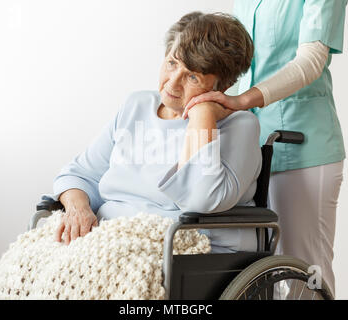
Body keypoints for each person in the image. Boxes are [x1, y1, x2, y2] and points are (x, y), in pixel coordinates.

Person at [48, 12, 262, 254]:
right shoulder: (135, 105)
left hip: (185, 249)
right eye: (172, 63)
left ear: (221, 87)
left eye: (192, 77)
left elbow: (203, 199)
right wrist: (78, 210)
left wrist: (203, 115)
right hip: (110, 239)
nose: (172, 84)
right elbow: (80, 174)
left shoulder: (241, 126)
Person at [182, 0, 348, 298]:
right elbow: (236, 63)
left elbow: (311, 60)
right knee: (262, 267)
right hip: (252, 148)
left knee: (307, 269)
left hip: (303, 144)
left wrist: (243, 100)